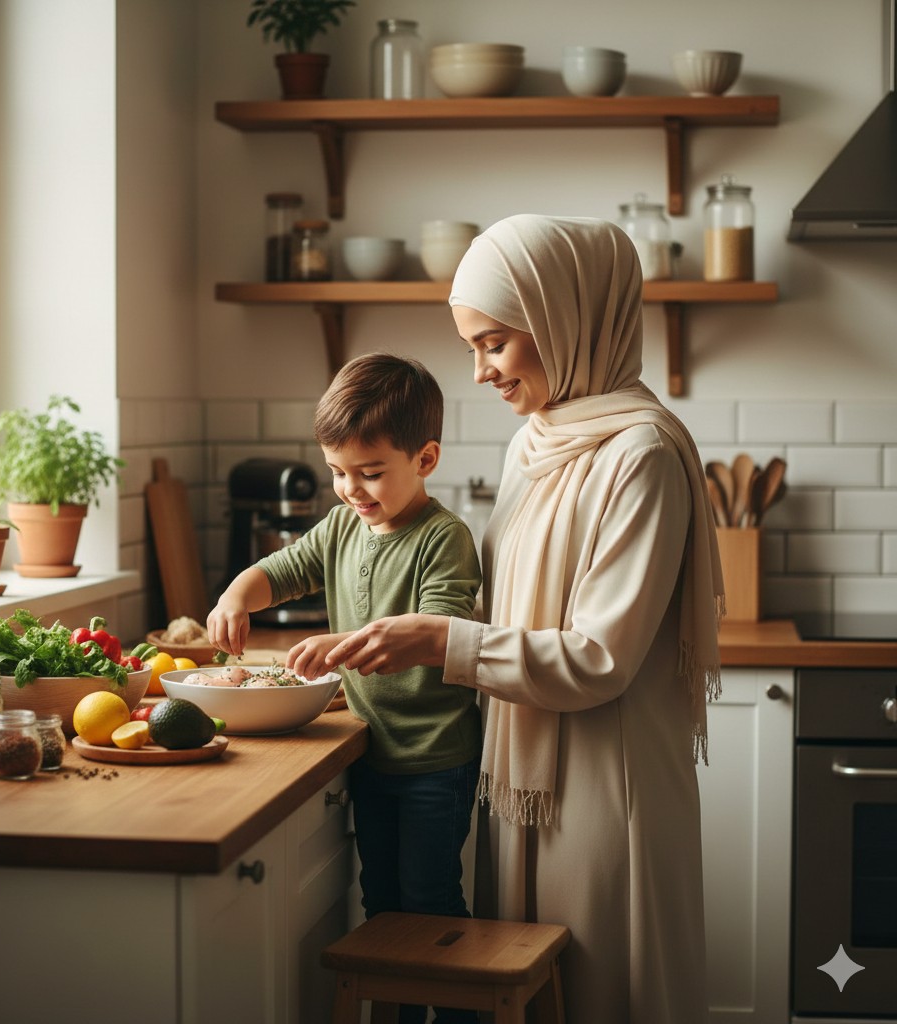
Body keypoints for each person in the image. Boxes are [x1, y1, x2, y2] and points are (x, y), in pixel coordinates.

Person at [319, 217, 725, 1024]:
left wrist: (438, 640)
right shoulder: (537, 440)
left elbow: (598, 658)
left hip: (608, 787)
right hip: (525, 768)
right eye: (472, 346)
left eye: (495, 343)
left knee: (608, 989)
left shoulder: (638, 456)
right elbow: (496, 598)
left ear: (566, 319)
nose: (479, 372)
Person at [208, 353, 483, 1024]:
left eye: (370, 473)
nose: (351, 490)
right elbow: (282, 568)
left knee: (429, 902)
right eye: (337, 472)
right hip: (370, 751)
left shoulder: (444, 539)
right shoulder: (341, 527)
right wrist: (235, 594)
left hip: (432, 758)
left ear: (425, 458)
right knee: (382, 903)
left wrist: (341, 648)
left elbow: (434, 634)